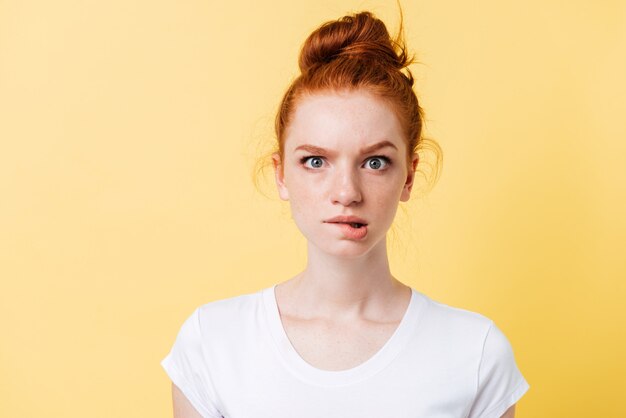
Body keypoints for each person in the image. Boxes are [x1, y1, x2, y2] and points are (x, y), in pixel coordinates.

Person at [161, 10, 529, 418]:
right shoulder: (212, 344)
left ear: (408, 177)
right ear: (281, 175)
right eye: (316, 161)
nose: (346, 193)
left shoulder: (475, 353)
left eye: (375, 163)